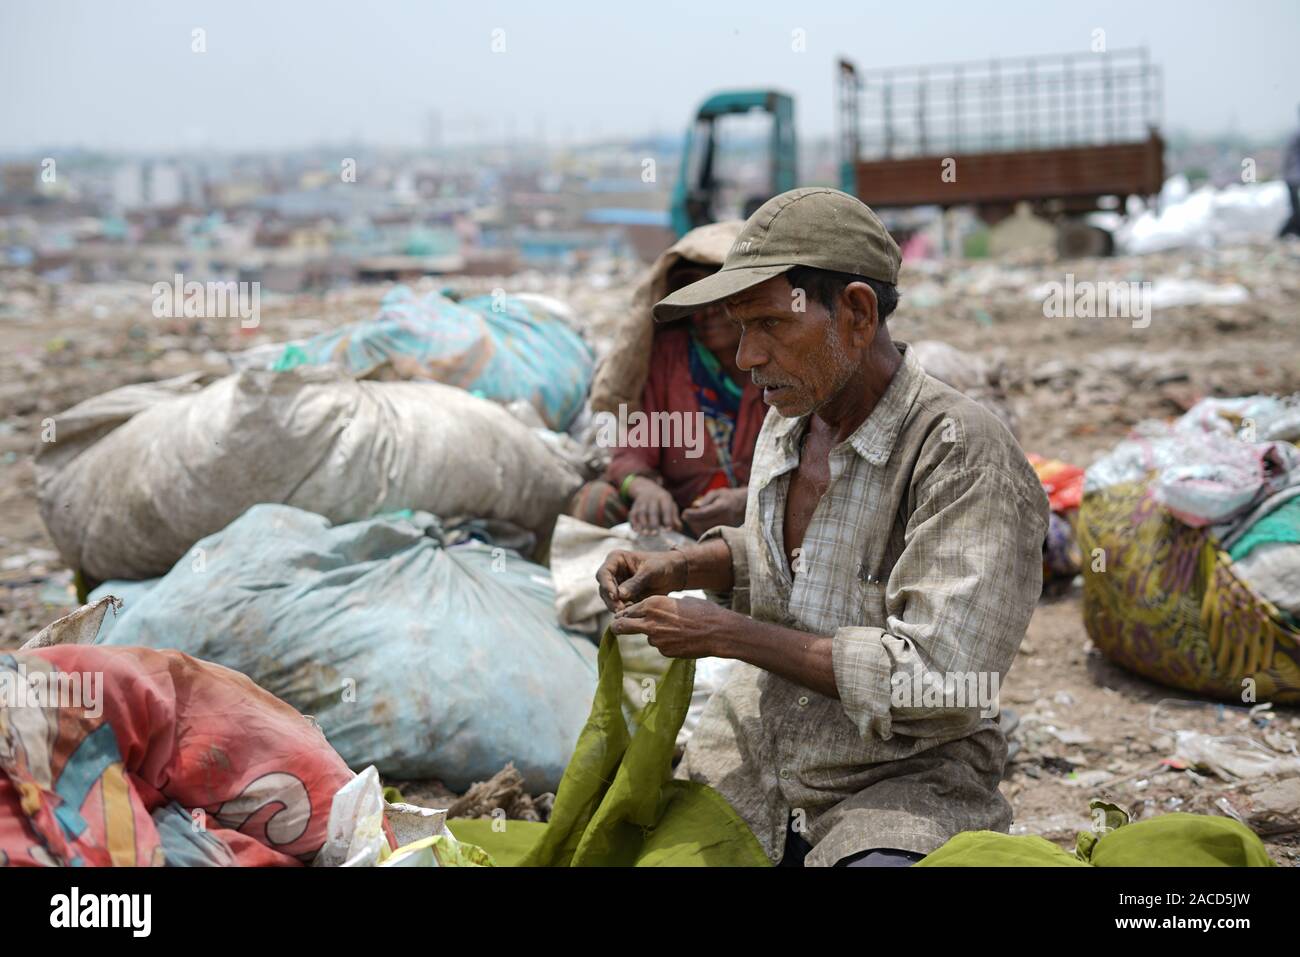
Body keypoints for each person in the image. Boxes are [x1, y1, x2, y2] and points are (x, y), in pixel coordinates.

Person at [596, 187, 1049, 867]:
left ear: (858, 314)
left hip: (894, 787)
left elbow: (940, 680)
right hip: (751, 769)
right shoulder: (789, 423)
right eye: (738, 327)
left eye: (771, 325)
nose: (747, 355)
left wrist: (724, 633)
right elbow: (791, 562)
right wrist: (686, 566)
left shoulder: (961, 453)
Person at [572, 257, 765, 537]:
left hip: (760, 513)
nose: (706, 313)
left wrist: (744, 500)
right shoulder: (670, 355)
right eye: (697, 300)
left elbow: (807, 465)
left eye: (718, 298)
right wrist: (645, 489)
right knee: (595, 501)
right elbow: (632, 450)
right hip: (684, 519)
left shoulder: (777, 359)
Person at [1281, 107, 1300, 239]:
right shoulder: (1296, 136)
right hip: (1295, 181)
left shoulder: (1295, 136)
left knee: (1296, 210)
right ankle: (1283, 234)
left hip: (1292, 180)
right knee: (1297, 211)